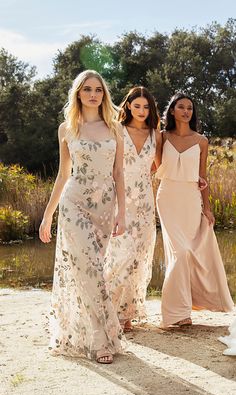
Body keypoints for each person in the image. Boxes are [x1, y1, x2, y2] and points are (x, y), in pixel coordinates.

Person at [39, 69, 126, 363]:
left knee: (94, 272)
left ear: (104, 94)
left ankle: (94, 333)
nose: (93, 94)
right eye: (87, 89)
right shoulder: (67, 128)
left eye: (98, 90)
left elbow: (118, 173)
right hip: (73, 203)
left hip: (104, 206)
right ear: (78, 93)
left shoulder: (115, 128)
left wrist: (122, 213)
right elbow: (64, 174)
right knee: (87, 268)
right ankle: (100, 341)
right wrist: (47, 216)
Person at [155, 91, 234, 328]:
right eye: (181, 107)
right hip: (167, 196)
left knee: (188, 253)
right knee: (180, 253)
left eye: (190, 107)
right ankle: (176, 314)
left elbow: (203, 177)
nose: (186, 111)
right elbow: (156, 167)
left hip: (191, 198)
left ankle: (186, 307)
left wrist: (207, 208)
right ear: (172, 111)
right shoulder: (162, 137)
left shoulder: (201, 141)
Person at [104, 86, 159, 332]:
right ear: (127, 106)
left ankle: (126, 315)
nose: (141, 110)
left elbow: (159, 166)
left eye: (146, 107)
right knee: (119, 255)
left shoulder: (155, 134)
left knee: (139, 257)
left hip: (146, 201)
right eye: (137, 106)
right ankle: (109, 310)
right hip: (120, 200)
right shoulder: (117, 129)